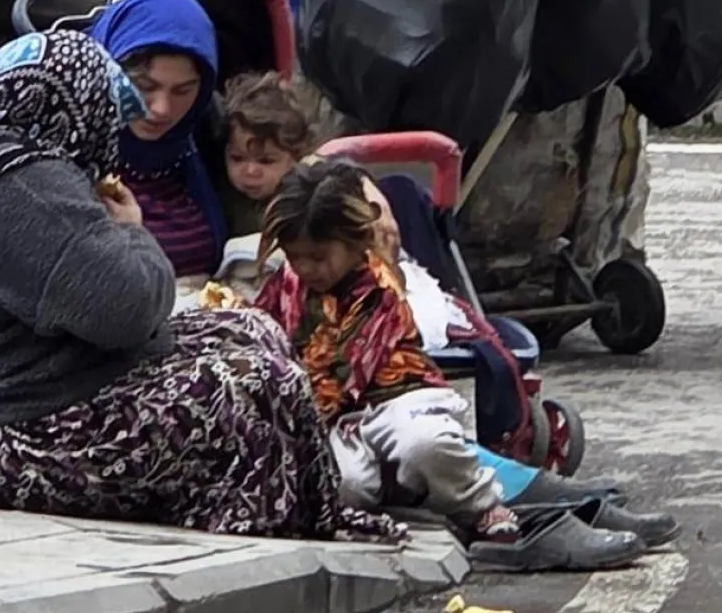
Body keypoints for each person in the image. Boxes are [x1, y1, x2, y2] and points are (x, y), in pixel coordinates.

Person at [0, 30, 399, 542]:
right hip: (18, 441)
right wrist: (132, 232)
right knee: (258, 383)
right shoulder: (25, 185)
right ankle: (265, 513)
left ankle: (299, 500)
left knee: (249, 328)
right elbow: (132, 311)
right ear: (77, 108)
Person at [254, 161, 647, 571]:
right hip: (337, 417)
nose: (306, 268)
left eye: (318, 257)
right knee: (348, 487)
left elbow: (342, 377)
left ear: (355, 244)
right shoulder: (289, 284)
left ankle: (490, 509)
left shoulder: (377, 287)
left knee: (425, 445)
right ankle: (434, 498)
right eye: (296, 257)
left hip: (393, 397)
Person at [90, 0, 227, 279]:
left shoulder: (212, 139)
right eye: (144, 87)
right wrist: (130, 237)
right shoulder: (70, 156)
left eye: (183, 91)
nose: (162, 109)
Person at [220, 71, 315, 236]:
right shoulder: (222, 200)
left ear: (298, 156)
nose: (250, 171)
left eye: (265, 161)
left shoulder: (306, 205)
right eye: (237, 158)